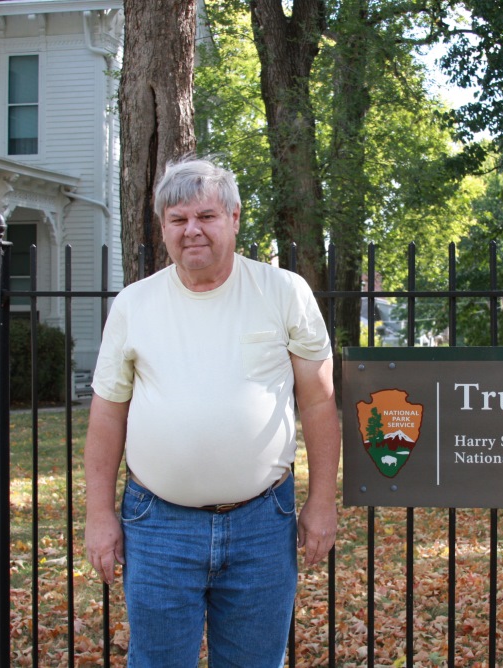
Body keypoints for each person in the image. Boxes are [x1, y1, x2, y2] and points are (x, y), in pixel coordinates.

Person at [84, 157, 340, 668]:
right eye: (178, 220)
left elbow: (319, 401)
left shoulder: (284, 292)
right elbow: (107, 415)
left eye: (206, 216)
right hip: (156, 525)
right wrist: (98, 514)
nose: (192, 230)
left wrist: (322, 502)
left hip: (263, 524)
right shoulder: (135, 304)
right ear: (163, 228)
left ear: (235, 217)